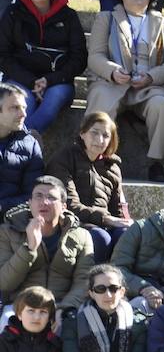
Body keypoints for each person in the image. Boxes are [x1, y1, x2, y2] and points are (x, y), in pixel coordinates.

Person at [84, 0, 164, 183]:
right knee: (100, 96)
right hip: (111, 83)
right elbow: (95, 57)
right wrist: (112, 71)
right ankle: (93, 159)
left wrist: (151, 77)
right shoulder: (106, 19)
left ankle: (155, 162)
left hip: (148, 87)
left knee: (161, 104)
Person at [0, 0, 87, 133]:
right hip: (20, 79)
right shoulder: (12, 13)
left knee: (50, 104)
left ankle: (17, 146)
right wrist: (32, 82)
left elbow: (79, 58)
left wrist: (49, 80)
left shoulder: (69, 17)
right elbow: (3, 56)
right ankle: (21, 149)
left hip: (58, 83)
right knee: (23, 103)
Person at [43, 113, 131, 264]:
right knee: (100, 237)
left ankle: (118, 282)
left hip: (104, 223)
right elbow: (69, 206)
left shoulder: (113, 167)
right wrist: (106, 219)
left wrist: (126, 223)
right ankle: (91, 283)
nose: (100, 140)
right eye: (94, 133)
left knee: (127, 234)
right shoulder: (64, 159)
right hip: (71, 223)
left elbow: (118, 209)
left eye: (105, 135)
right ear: (82, 133)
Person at [0, 176, 95, 313]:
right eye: (38, 196)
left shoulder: (82, 235)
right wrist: (29, 248)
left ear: (63, 206)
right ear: (30, 203)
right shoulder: (7, 231)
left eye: (51, 197)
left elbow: (84, 281)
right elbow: (4, 283)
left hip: (64, 306)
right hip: (21, 307)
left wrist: (64, 309)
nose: (44, 202)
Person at [0, 84, 40, 215]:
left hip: (11, 220)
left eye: (24, 108)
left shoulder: (30, 145)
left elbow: (33, 194)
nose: (23, 114)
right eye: (15, 108)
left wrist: (2, 207)